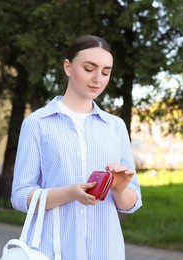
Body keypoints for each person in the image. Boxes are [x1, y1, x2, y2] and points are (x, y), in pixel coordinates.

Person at [11, 35, 142, 260]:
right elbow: (20, 196)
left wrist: (118, 189)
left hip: (105, 251)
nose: (97, 79)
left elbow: (133, 203)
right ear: (68, 67)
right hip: (51, 250)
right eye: (89, 68)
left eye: (105, 72)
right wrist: (69, 193)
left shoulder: (115, 126)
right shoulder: (37, 123)